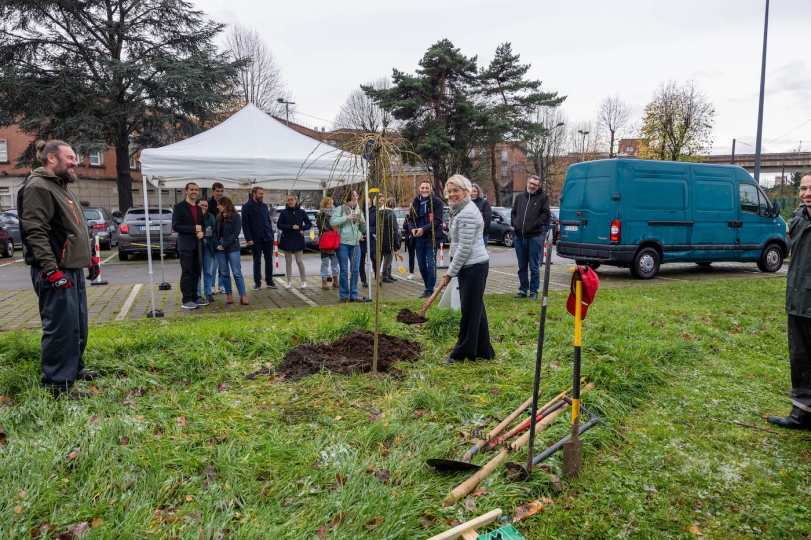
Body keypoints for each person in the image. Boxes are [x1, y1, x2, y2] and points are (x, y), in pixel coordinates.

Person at [18, 139, 101, 398]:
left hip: (72, 269)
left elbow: (72, 229)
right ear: (51, 158)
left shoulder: (60, 186)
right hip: (55, 271)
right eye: (70, 158)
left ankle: (74, 369)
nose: (75, 162)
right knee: (60, 329)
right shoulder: (38, 186)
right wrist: (50, 269)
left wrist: (89, 258)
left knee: (77, 326)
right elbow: (35, 231)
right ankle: (56, 386)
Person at [769, 172, 811, 431]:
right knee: (801, 360)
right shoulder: (799, 221)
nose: (807, 194)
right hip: (798, 302)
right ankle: (801, 414)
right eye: (803, 189)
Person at [440, 175, 494, 364]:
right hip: (469, 265)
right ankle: (484, 351)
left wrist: (450, 272)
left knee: (469, 313)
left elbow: (464, 248)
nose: (452, 194)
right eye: (450, 191)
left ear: (466, 190)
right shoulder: (460, 209)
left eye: (456, 190)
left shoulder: (467, 213)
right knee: (476, 310)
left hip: (473, 267)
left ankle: (462, 353)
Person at [510, 175, 550, 300]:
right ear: (527, 183)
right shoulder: (519, 198)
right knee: (522, 266)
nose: (532, 186)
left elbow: (545, 214)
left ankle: (534, 291)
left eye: (535, 184)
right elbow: (513, 213)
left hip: (534, 237)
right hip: (519, 237)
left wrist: (534, 225)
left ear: (539, 186)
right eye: (531, 183)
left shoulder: (543, 198)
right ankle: (523, 290)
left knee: (534, 266)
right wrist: (515, 223)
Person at [172, 182, 209, 309]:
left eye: (196, 190)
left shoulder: (198, 209)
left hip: (197, 245)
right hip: (185, 246)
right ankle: (186, 299)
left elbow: (202, 226)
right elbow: (176, 226)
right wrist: (193, 229)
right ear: (186, 191)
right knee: (187, 272)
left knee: (196, 271)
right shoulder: (179, 207)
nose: (194, 192)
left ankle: (195, 297)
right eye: (192, 189)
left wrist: (202, 233)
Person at [406, 180, 445, 298]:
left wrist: (423, 229)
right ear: (419, 188)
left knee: (431, 263)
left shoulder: (437, 202)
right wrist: (412, 229)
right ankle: (428, 286)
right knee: (421, 265)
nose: (424, 190)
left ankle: (429, 289)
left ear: (431, 189)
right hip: (418, 238)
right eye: (422, 188)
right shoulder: (416, 201)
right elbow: (411, 219)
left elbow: (437, 221)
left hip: (432, 238)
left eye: (426, 188)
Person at [330, 190, 371, 303]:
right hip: (343, 243)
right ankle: (344, 295)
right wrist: (346, 218)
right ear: (348, 197)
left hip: (355, 244)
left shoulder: (359, 210)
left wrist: (363, 222)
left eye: (357, 195)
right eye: (353, 195)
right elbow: (332, 222)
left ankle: (354, 295)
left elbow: (362, 229)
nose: (356, 197)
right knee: (343, 270)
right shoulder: (341, 209)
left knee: (355, 270)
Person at [241, 187, 278, 291]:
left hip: (267, 237)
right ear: (254, 194)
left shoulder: (264, 206)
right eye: (260, 194)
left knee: (269, 260)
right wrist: (249, 238)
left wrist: (270, 233)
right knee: (257, 261)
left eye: (263, 194)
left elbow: (268, 220)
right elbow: (245, 224)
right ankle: (257, 282)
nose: (262, 195)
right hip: (255, 238)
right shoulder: (246, 207)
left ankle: (269, 280)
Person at [215, 197, 248, 305]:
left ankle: (242, 295)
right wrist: (217, 244)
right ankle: (229, 295)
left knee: (237, 272)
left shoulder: (236, 216)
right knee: (224, 272)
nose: (217, 206)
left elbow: (236, 233)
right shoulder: (218, 217)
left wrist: (224, 244)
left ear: (225, 204)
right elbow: (215, 233)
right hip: (220, 248)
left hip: (232, 247)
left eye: (219, 204)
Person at [276, 194, 312, 289]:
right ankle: (289, 281)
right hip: (287, 238)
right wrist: (290, 227)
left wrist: (303, 228)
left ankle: (303, 281)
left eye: (292, 199)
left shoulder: (301, 212)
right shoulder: (284, 213)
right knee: (288, 261)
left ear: (296, 201)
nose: (290, 201)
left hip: (298, 238)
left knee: (299, 261)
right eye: (288, 200)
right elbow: (279, 225)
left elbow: (309, 223)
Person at [316, 196, 340, 290]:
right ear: (325, 204)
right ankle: (324, 281)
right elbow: (322, 228)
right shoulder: (320, 215)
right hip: (325, 241)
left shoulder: (335, 214)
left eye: (332, 203)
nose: (331, 205)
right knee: (325, 262)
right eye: (329, 203)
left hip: (334, 241)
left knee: (335, 262)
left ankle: (335, 280)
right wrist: (332, 228)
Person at [208, 182, 227, 294]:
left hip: (224, 237)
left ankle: (222, 285)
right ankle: (211, 285)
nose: (220, 193)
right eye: (217, 191)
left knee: (223, 264)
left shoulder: (226, 203)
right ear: (213, 191)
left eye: (221, 191)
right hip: (212, 237)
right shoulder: (209, 204)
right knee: (213, 265)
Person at [198, 199, 217, 302]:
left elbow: (212, 231)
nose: (204, 207)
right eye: (202, 205)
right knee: (197, 271)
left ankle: (208, 292)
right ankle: (197, 294)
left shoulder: (210, 217)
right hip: (196, 247)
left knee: (208, 271)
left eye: (206, 205)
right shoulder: (194, 216)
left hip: (208, 246)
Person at [377, 196, 399, 284]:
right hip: (389, 239)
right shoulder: (391, 214)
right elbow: (394, 229)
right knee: (388, 258)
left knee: (385, 257)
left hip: (381, 238)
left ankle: (388, 274)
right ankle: (385, 275)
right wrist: (396, 241)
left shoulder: (380, 212)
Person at [359, 197, 377, 288]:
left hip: (372, 238)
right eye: (367, 203)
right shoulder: (360, 212)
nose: (368, 204)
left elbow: (377, 226)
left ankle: (377, 277)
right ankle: (363, 280)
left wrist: (368, 231)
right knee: (361, 260)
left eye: (370, 203)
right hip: (362, 239)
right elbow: (358, 225)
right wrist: (362, 233)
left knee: (374, 258)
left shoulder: (375, 212)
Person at [471, 183, 492, 247]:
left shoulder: (484, 203)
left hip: (482, 235)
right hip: (469, 235)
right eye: (471, 191)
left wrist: (480, 231)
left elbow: (487, 219)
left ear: (478, 192)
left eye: (475, 191)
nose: (473, 193)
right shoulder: (466, 203)